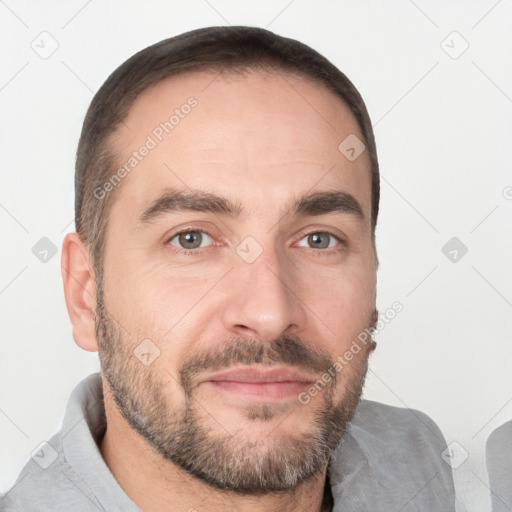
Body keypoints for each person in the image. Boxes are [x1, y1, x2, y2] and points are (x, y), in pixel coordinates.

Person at [1, 26, 456, 511]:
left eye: (319, 239)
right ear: (85, 293)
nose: (269, 313)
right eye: (190, 239)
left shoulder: (422, 460)